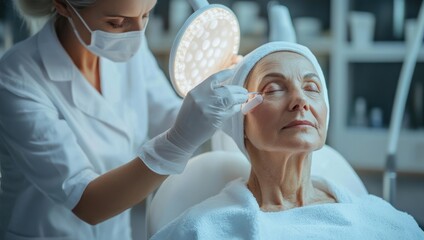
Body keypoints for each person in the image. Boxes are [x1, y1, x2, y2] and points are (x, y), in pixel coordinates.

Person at [0, 0, 248, 239]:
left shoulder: (129, 50)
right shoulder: (16, 78)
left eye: (146, 14)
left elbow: (169, 116)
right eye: (117, 23)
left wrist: (213, 99)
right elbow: (87, 202)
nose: (137, 34)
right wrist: (179, 141)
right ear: (64, 5)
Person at [150, 42, 424, 240]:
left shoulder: (380, 220)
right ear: (241, 123)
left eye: (311, 88)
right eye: (273, 88)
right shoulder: (203, 229)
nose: (300, 101)